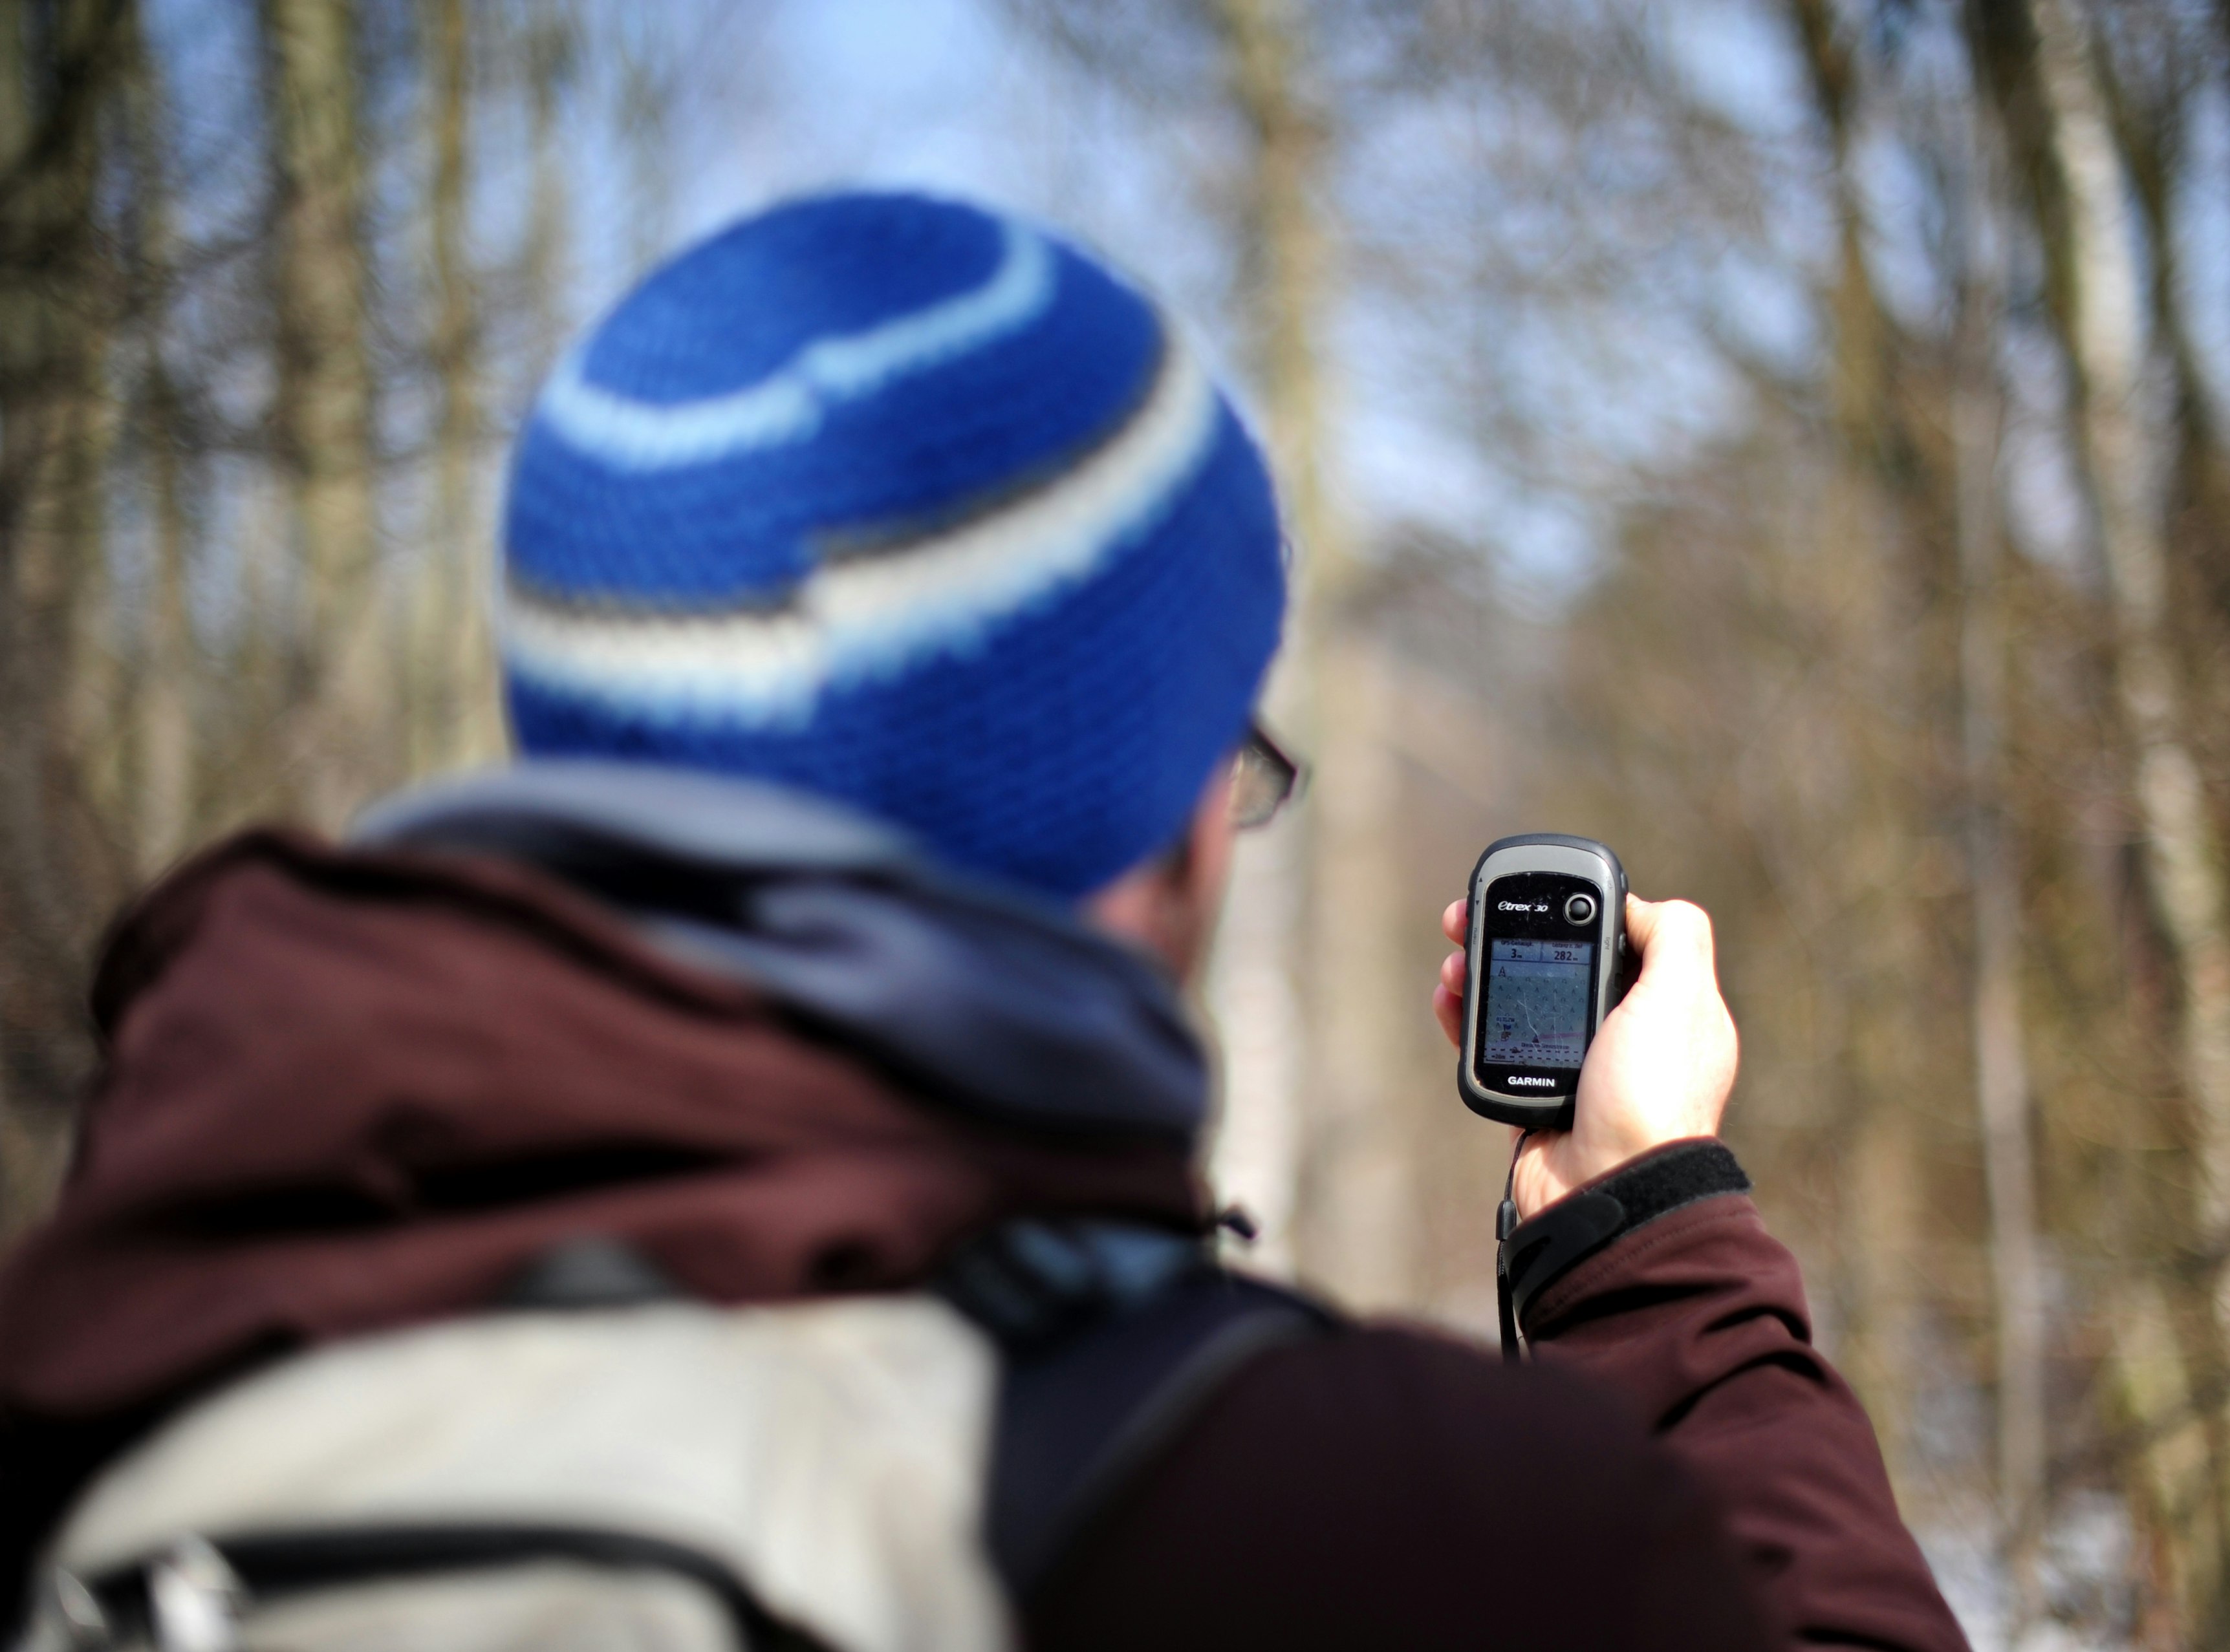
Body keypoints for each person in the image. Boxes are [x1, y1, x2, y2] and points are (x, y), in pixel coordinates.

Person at [0, 191, 1967, 1650]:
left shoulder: (112, 1381)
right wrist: (1664, 1251)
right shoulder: (1389, 1533)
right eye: (1232, 753)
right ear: (1168, 832)